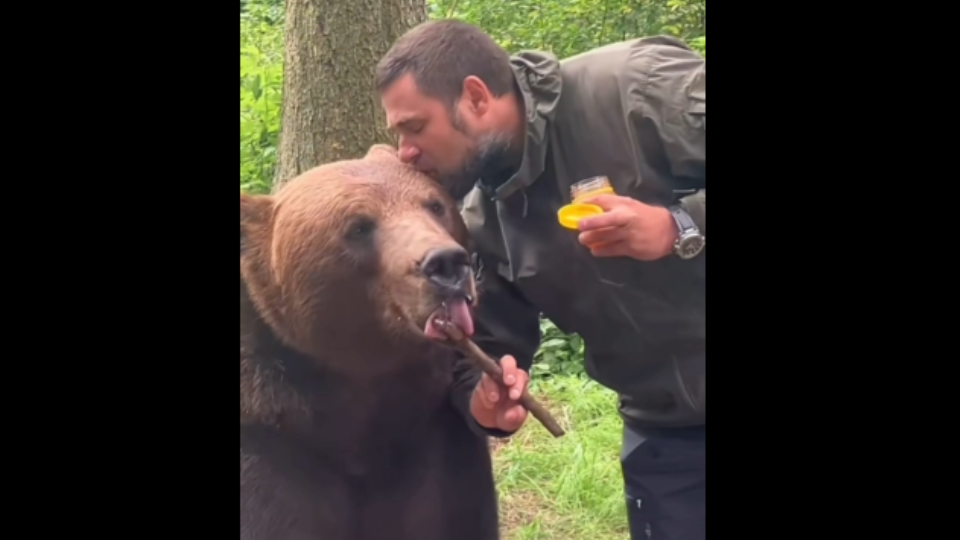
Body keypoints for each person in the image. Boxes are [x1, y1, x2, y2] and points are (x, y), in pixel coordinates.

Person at [375, 19, 705, 540]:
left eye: (414, 127)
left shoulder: (637, 86)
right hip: (666, 434)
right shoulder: (481, 220)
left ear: (476, 98)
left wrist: (680, 226)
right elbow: (485, 351)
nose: (404, 153)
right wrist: (487, 403)